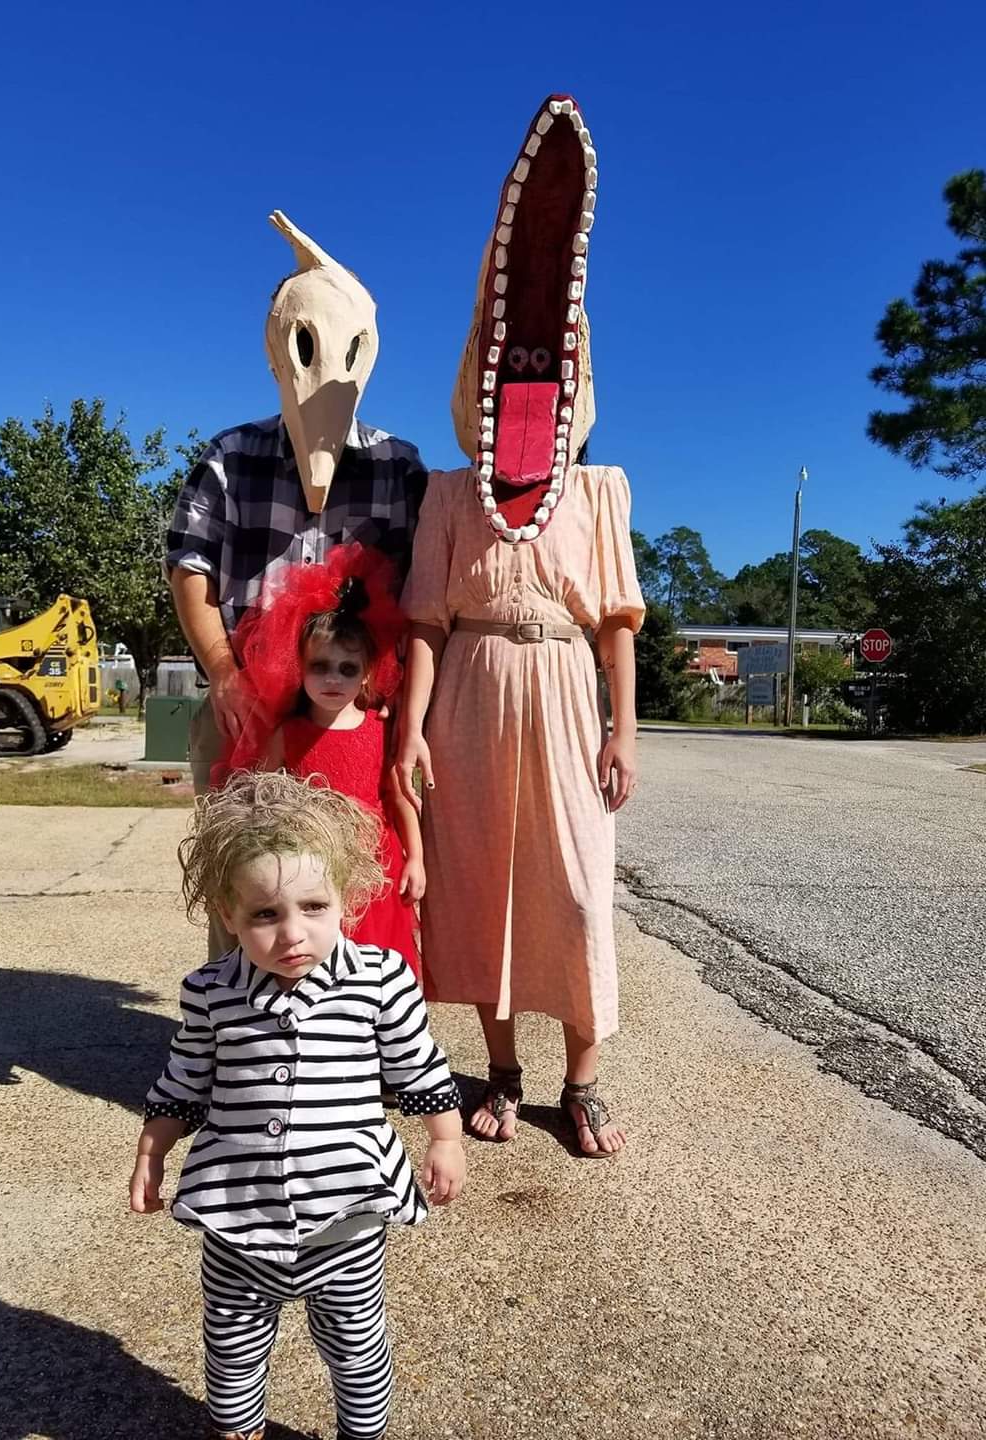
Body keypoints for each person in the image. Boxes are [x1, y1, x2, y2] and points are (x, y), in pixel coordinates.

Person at [395, 95, 646, 1159]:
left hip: (561, 697)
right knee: (484, 892)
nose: (529, 389)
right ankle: (500, 1072)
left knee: (578, 893)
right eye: (511, 378)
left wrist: (621, 728)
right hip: (468, 701)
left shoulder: (596, 494)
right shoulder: (450, 497)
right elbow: (422, 625)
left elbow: (617, 624)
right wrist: (408, 731)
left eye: (546, 377)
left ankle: (580, 1084)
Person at [129, 770, 464, 1440]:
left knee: (356, 1348)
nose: (292, 936)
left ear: (346, 900)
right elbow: (186, 1077)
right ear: (228, 914)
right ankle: (240, 1428)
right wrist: (152, 1150)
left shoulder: (379, 980)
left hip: (346, 1217)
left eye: (313, 907)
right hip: (237, 1217)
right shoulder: (210, 991)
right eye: (264, 915)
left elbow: (418, 1063)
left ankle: (360, 1434)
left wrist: (445, 1137)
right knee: (231, 1347)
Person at [167, 211, 427, 959]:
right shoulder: (233, 455)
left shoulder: (398, 467)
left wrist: (399, 711)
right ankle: (237, 1041)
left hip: (356, 713)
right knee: (247, 874)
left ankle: (354, 1035)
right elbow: (191, 566)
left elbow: (425, 593)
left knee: (362, 873)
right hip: (246, 699)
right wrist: (225, 675)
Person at [215, 544, 422, 976]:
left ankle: (376, 1035)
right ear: (299, 668)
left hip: (378, 865)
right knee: (313, 958)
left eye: (347, 669)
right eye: (320, 666)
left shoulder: (380, 730)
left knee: (375, 961)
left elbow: (401, 799)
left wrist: (417, 860)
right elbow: (262, 798)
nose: (332, 678)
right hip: (306, 864)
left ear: (366, 672)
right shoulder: (288, 734)